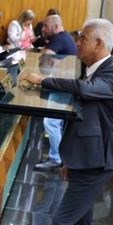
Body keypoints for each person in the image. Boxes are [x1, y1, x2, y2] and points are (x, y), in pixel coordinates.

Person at [26, 18, 113, 225]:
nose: (77, 42)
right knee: (82, 222)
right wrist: (68, 161)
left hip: (97, 160)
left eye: (83, 38)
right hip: (84, 158)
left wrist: (43, 80)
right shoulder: (93, 69)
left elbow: (86, 91)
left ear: (99, 43)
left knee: (63, 221)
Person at [33, 14, 78, 171]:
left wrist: (45, 51)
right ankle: (57, 156)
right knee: (54, 123)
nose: (42, 29)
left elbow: (43, 61)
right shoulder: (64, 37)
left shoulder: (59, 38)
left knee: (51, 122)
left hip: (63, 85)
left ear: (56, 27)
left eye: (46, 26)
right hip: (64, 83)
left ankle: (56, 159)